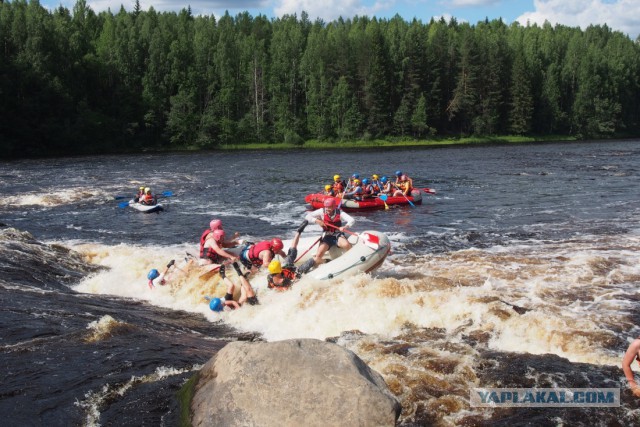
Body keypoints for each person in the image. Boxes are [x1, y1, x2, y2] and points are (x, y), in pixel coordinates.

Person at [299, 197, 355, 274]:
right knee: (318, 255)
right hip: (327, 236)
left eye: (329, 208)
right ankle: (326, 262)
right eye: (326, 207)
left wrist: (345, 227)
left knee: (346, 244)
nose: (327, 209)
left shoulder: (340, 213)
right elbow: (307, 216)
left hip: (337, 234)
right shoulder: (322, 211)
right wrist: (317, 221)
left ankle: (352, 258)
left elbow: (351, 220)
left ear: (334, 206)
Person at [266, 220, 308, 290]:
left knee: (291, 254)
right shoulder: (285, 280)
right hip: (287, 268)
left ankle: (298, 231)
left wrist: (288, 261)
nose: (279, 251)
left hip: (284, 266)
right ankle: (316, 259)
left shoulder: (269, 278)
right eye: (278, 250)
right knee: (303, 264)